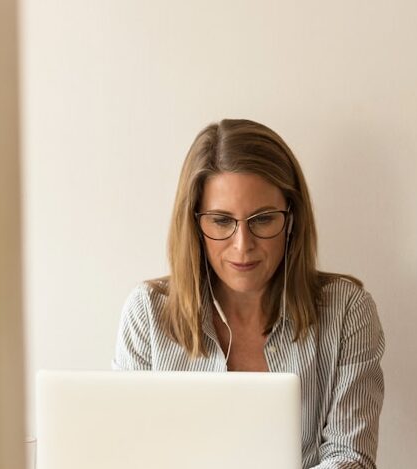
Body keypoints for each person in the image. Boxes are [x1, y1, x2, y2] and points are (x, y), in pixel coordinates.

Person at [113, 118, 385, 469]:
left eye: (262, 219)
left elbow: (351, 457)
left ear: (291, 219)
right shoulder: (147, 313)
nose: (243, 246)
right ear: (194, 224)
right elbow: (128, 451)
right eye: (221, 221)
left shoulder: (347, 310)